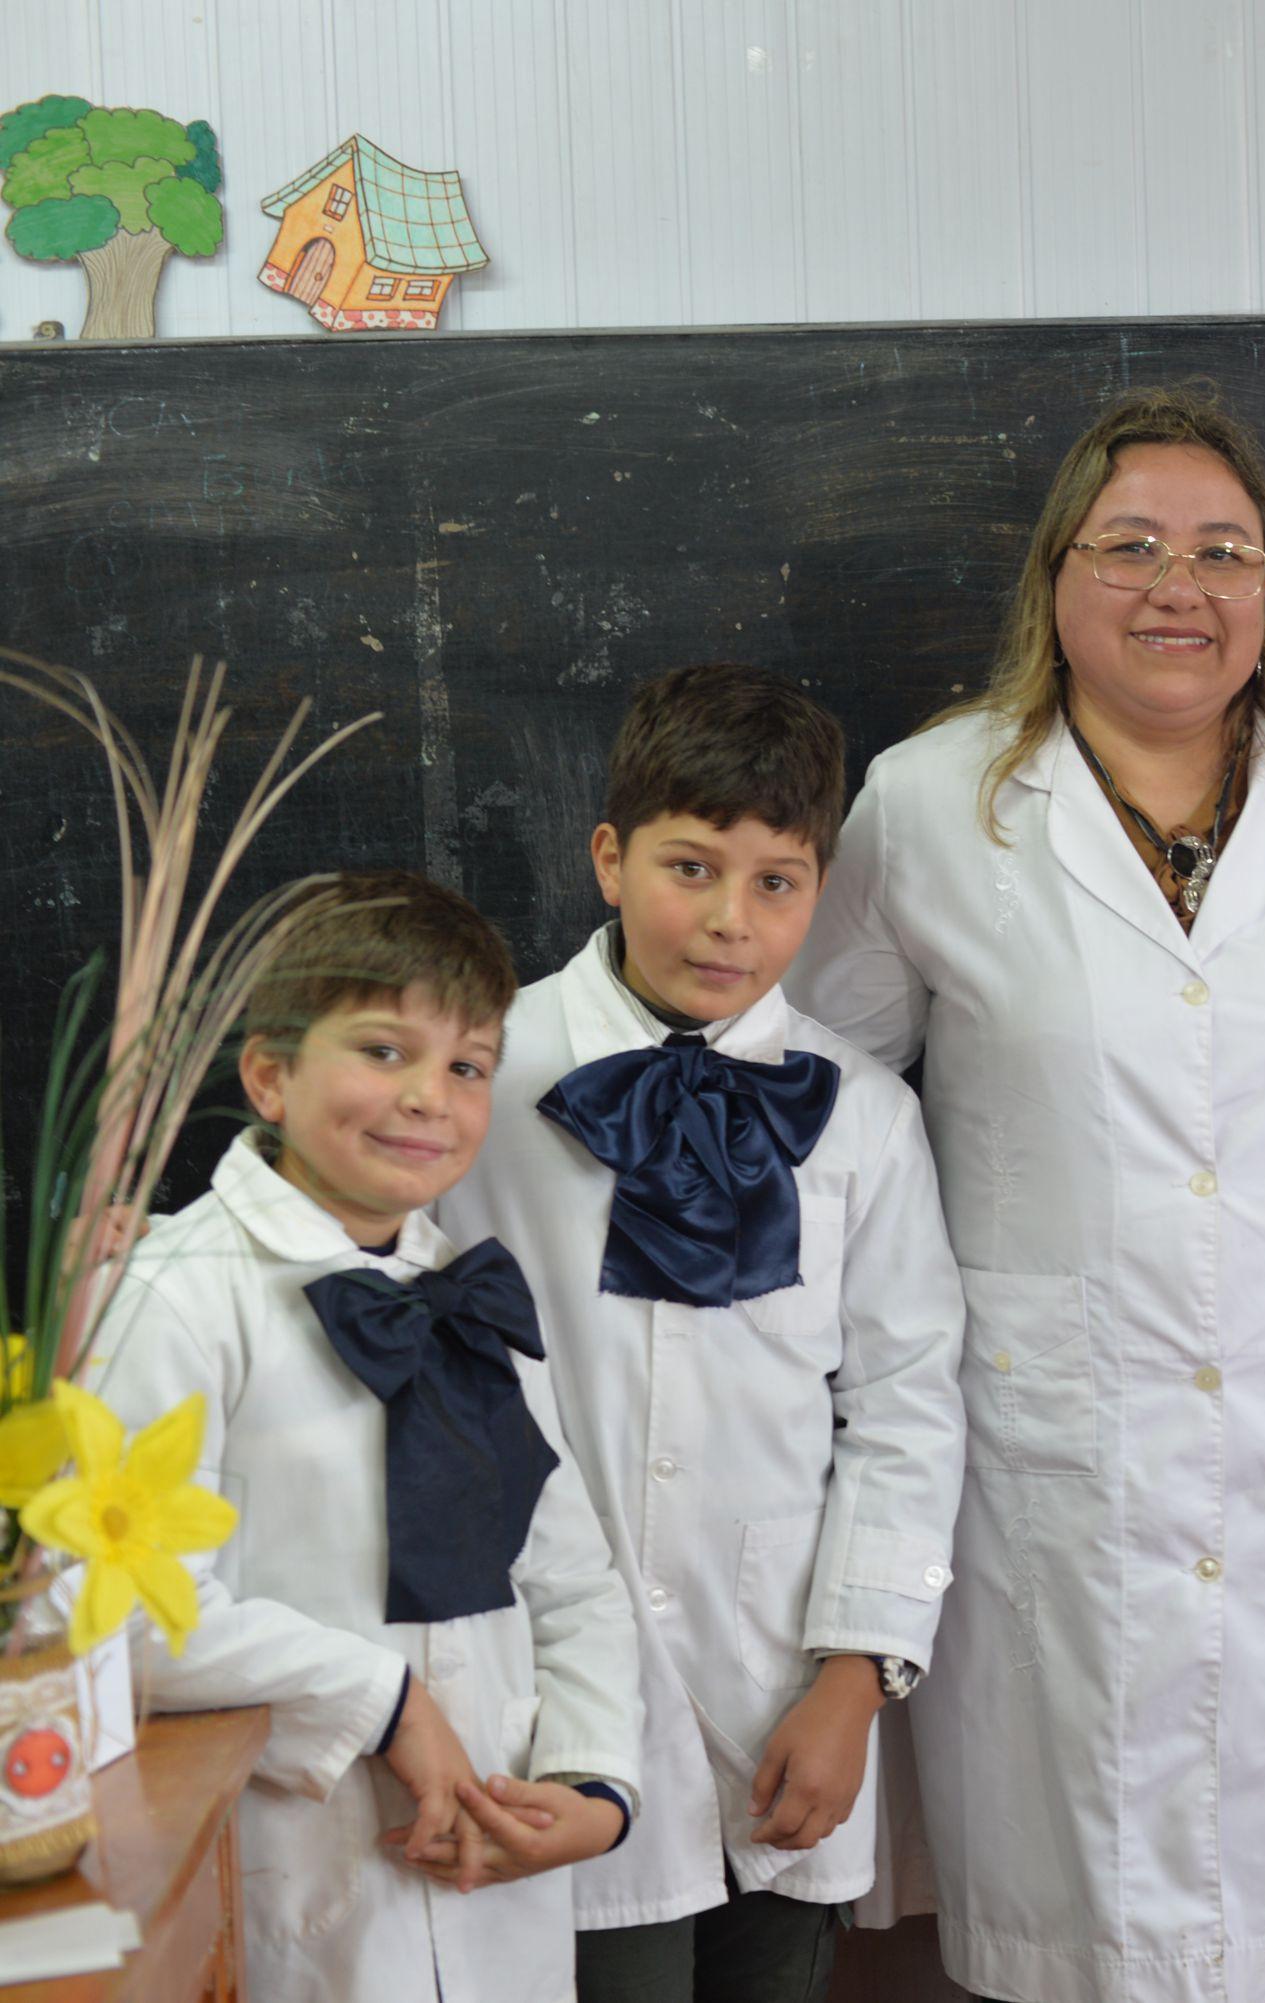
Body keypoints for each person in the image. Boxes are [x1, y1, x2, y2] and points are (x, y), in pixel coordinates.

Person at [789, 386, 1265, 2003]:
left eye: (1222, 549)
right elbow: (813, 1108)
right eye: (1135, 546)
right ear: (1055, 580)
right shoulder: (934, 805)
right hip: (1051, 1459)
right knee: (1075, 1939)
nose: (1182, 583)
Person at [434, 665, 965, 2003]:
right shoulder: (474, 1082)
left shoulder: (860, 1117)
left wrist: (854, 1678)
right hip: (547, 1703)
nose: (730, 919)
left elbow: (908, 1400)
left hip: (783, 1690)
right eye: (690, 866)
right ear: (609, 857)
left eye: (778, 880)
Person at [87, 871, 644, 2003]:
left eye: (466, 1065)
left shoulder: (472, 1293)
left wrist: (593, 1782)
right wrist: (381, 1696)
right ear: (271, 1074)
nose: (428, 1096)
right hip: (297, 1886)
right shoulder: (177, 1296)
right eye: (383, 1050)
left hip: (499, 1879)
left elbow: (574, 1582)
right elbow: (126, 1618)